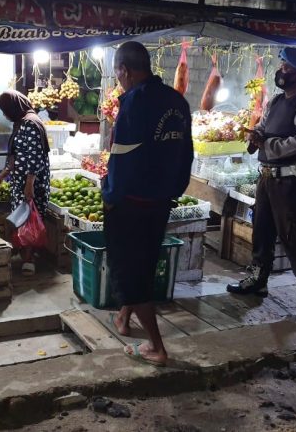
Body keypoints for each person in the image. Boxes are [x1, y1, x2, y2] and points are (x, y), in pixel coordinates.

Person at [102, 41, 193, 367]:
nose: (119, 80)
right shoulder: (176, 100)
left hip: (132, 203)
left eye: (118, 74)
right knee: (142, 264)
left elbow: (121, 159)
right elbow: (187, 153)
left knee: (131, 273)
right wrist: (173, 190)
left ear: (124, 70)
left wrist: (111, 197)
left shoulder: (135, 102)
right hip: (160, 201)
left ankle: (156, 347)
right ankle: (124, 319)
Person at [226, 47, 296, 325]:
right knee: (261, 231)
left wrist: (269, 145)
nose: (282, 71)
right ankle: (258, 278)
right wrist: (255, 135)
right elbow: (264, 126)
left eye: (287, 67)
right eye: (281, 65)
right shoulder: (275, 101)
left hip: (292, 182)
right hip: (267, 178)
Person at [0, 90, 51, 276]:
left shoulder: (31, 124)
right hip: (20, 180)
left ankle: (29, 259)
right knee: (22, 217)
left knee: (28, 219)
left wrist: (29, 184)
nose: (4, 115)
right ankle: (25, 251)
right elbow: (16, 155)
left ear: (14, 107)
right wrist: (2, 175)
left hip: (31, 182)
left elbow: (34, 157)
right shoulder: (21, 122)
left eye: (5, 111)